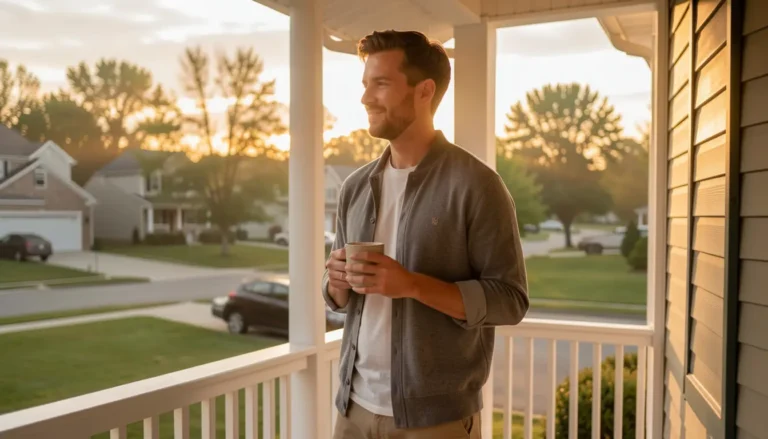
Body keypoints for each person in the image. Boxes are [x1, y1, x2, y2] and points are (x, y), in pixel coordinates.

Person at [322, 29, 529, 439]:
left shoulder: (477, 185)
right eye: (365, 84)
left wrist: (412, 285)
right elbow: (339, 300)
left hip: (437, 420)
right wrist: (337, 282)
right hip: (353, 410)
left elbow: (510, 301)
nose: (365, 98)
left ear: (424, 91)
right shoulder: (354, 188)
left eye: (381, 84)